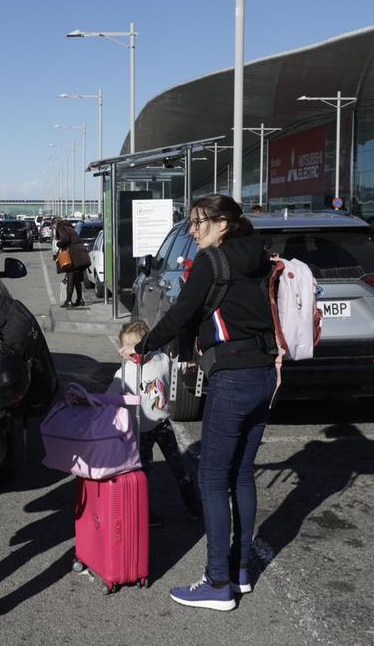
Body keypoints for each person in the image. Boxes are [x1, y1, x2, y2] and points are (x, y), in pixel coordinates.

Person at [120, 194, 276, 612]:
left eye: (198, 222)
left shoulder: (213, 261)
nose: (193, 230)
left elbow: (181, 313)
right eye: (190, 222)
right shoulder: (260, 256)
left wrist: (145, 346)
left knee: (211, 479)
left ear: (223, 223)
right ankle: (240, 570)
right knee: (241, 475)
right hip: (265, 375)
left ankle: (218, 582)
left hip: (234, 376)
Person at [108, 320, 202, 525]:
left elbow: (177, 364)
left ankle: (194, 505)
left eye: (138, 347)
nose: (134, 354)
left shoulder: (160, 359)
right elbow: (109, 399)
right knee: (143, 474)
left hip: (162, 425)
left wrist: (190, 362)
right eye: (128, 349)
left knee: (180, 468)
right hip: (139, 431)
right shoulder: (123, 375)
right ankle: (143, 513)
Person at [55, 219, 90, 308]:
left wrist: (58, 244)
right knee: (77, 279)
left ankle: (68, 301)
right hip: (81, 254)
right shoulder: (70, 227)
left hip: (73, 256)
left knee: (70, 277)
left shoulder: (61, 227)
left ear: (55, 224)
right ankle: (80, 299)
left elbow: (66, 240)